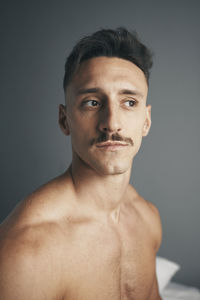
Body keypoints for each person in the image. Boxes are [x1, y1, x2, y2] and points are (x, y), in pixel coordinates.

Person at [0, 28, 162, 299]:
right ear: (65, 120)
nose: (111, 122)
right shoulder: (26, 248)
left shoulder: (148, 219)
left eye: (129, 102)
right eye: (92, 102)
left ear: (145, 121)